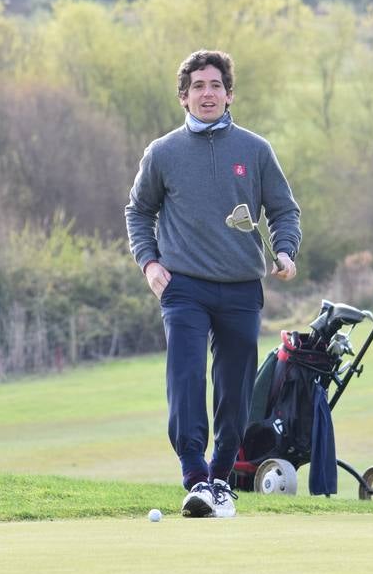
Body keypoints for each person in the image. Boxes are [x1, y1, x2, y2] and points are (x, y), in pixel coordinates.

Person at [126, 49, 301, 518]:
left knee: (234, 387)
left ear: (229, 95)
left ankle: (220, 476)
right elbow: (139, 212)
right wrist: (149, 264)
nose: (208, 94)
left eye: (216, 86)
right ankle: (193, 473)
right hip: (183, 287)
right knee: (184, 378)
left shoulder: (255, 150)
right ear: (184, 97)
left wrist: (285, 250)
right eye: (198, 87)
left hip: (242, 287)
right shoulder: (162, 153)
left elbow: (284, 210)